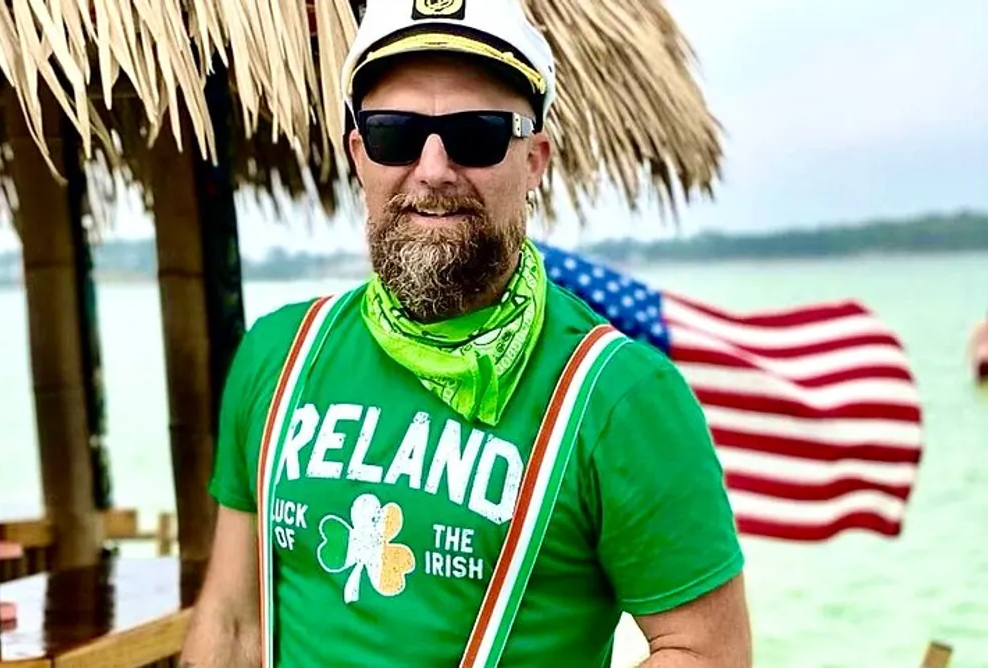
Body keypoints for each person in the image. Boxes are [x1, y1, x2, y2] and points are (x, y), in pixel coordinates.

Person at [179, 0, 751, 666]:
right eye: (395, 133)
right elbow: (232, 622)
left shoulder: (622, 396)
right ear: (359, 154)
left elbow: (706, 652)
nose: (432, 169)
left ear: (534, 159)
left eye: (475, 134)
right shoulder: (278, 355)